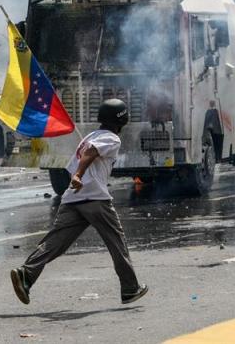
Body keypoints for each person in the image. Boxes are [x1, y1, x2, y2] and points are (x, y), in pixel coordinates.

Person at [10, 99, 148, 305]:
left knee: (55, 242)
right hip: (95, 198)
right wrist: (79, 175)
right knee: (117, 244)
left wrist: (76, 177)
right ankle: (130, 288)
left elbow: (78, 159)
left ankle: (26, 274)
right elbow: (90, 153)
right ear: (122, 120)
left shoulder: (90, 136)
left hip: (73, 198)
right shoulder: (111, 138)